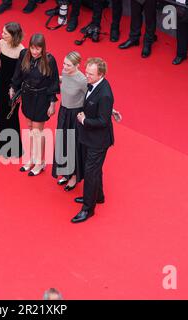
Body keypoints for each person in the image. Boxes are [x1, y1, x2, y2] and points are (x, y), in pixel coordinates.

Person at [10, 33, 60, 176]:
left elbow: (53, 82)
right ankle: (32, 158)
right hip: (27, 96)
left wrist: (52, 103)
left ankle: (40, 162)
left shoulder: (49, 60)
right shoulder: (24, 54)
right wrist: (13, 87)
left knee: (38, 132)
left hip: (42, 98)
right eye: (32, 48)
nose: (35, 51)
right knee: (31, 128)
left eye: (38, 49)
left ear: (43, 48)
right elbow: (18, 73)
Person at [72, 58, 114, 223]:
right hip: (90, 137)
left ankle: (88, 209)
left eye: (90, 74)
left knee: (90, 172)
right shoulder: (96, 84)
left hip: (98, 141)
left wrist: (84, 120)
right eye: (86, 72)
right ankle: (98, 196)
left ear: (101, 74)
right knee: (95, 170)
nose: (86, 76)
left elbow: (102, 122)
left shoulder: (104, 94)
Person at [52, 51, 87, 192]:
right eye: (64, 63)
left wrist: (111, 110)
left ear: (77, 65)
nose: (65, 67)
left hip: (75, 115)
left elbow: (92, 97)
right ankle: (66, 172)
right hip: (63, 112)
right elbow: (63, 79)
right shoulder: (65, 73)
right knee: (62, 142)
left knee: (73, 146)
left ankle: (73, 176)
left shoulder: (82, 80)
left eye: (68, 65)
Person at [0, 22, 25, 158]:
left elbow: (21, 72)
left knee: (11, 114)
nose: (2, 34)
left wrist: (15, 89)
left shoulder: (22, 51)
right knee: (0, 112)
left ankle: (13, 149)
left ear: (14, 36)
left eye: (5, 33)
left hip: (13, 87)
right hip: (0, 83)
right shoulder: (1, 43)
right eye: (2, 31)